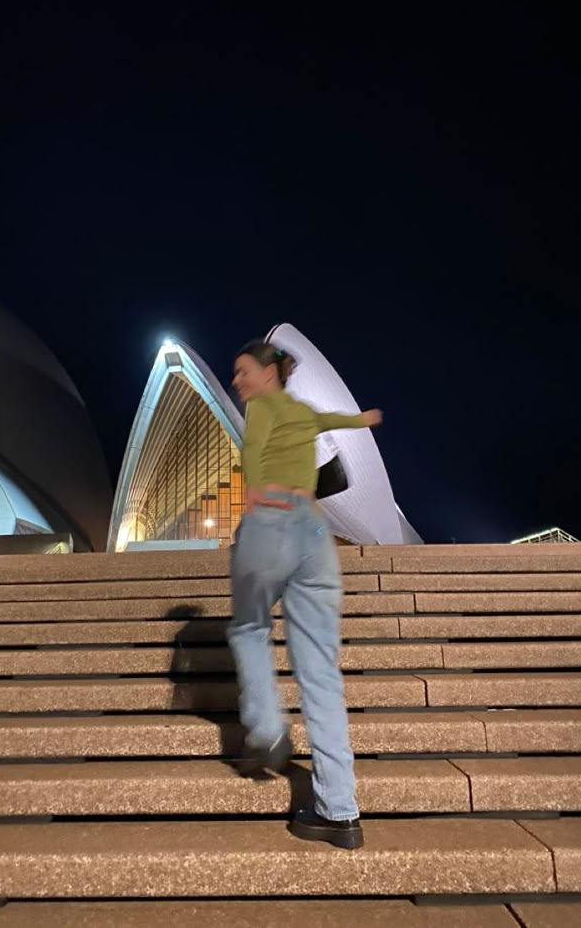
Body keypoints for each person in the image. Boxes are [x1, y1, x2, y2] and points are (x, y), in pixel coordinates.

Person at [228, 339, 382, 850]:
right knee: (320, 671)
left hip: (271, 518)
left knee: (250, 626)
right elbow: (336, 421)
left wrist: (252, 493)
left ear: (268, 373)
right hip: (315, 534)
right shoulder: (302, 410)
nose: (238, 381)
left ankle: (268, 728)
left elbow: (252, 452)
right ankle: (339, 811)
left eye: (243, 371)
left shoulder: (263, 408)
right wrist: (364, 420)